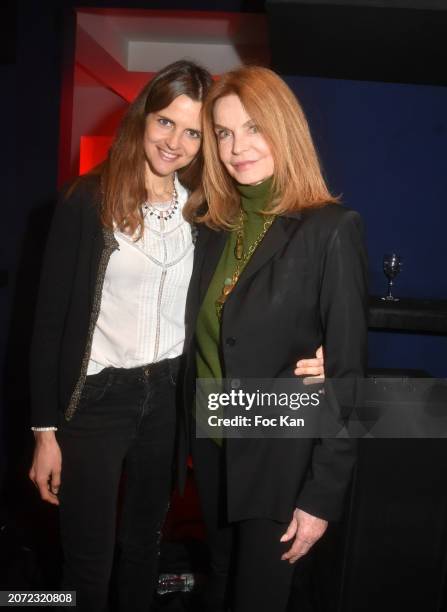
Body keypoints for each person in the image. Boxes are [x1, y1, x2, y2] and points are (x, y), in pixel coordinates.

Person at [28, 60, 324, 612]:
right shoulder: (84, 202)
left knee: (146, 547)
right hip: (95, 398)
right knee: (86, 559)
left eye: (193, 131)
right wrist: (45, 430)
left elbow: (247, 291)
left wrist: (318, 346)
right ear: (143, 117)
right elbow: (47, 325)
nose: (176, 142)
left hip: (168, 399)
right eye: (166, 122)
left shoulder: (205, 210)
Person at [181, 65, 368, 612]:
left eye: (253, 127)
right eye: (224, 132)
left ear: (284, 128)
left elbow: (350, 380)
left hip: (281, 458)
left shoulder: (331, 229)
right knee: (220, 582)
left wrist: (321, 497)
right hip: (213, 450)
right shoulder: (213, 229)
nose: (238, 146)